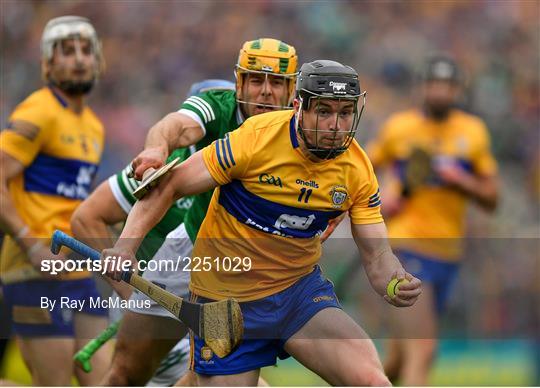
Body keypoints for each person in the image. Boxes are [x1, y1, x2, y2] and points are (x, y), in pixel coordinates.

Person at [102, 59, 423, 386]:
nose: (335, 125)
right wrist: (126, 246)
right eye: (324, 112)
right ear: (299, 106)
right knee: (134, 373)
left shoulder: (357, 168)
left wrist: (394, 279)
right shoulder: (256, 139)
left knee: (374, 382)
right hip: (226, 303)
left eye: (344, 114)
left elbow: (377, 255)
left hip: (297, 294)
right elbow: (170, 185)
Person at [72, 37, 298, 386]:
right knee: (127, 373)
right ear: (238, 86)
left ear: (290, 91)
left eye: (276, 83)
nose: (265, 93)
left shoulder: (295, 134)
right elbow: (173, 126)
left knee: (211, 378)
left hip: (239, 270)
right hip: (172, 274)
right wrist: (155, 150)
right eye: (256, 80)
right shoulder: (179, 160)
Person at [367, 55, 499, 385]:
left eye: (447, 86)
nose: (440, 92)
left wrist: (462, 181)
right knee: (423, 350)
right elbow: (359, 171)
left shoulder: (473, 132)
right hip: (406, 248)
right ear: (423, 88)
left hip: (448, 255)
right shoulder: (399, 128)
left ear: (458, 91)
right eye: (434, 84)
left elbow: (492, 198)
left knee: (400, 358)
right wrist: (384, 197)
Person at [0, 16, 109, 385]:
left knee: (109, 379)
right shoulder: (37, 111)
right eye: (66, 51)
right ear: (48, 63)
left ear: (97, 62)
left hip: (77, 274)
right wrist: (32, 246)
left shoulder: (93, 126)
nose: (79, 59)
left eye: (85, 51)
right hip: (33, 271)